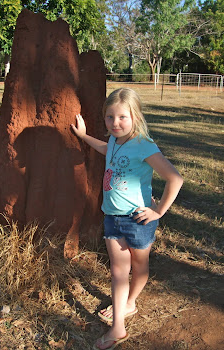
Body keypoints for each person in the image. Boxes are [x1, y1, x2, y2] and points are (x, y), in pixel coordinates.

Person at [71, 88, 183, 350]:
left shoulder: (143, 144)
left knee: (139, 267)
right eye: (110, 117)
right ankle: (118, 327)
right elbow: (104, 148)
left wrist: (159, 211)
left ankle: (131, 301)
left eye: (122, 117)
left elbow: (174, 178)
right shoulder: (113, 140)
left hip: (138, 220)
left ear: (135, 116)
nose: (115, 123)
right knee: (119, 271)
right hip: (112, 217)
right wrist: (83, 136)